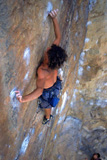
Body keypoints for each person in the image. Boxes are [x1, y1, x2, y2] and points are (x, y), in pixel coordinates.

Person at [15, 9, 67, 124]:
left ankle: (48, 118)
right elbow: (58, 37)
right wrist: (54, 18)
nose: (47, 49)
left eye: (48, 52)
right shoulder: (54, 57)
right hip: (56, 82)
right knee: (54, 90)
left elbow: (39, 91)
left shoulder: (42, 72)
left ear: (48, 61)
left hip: (48, 90)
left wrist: (23, 99)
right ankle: (49, 114)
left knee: (46, 105)